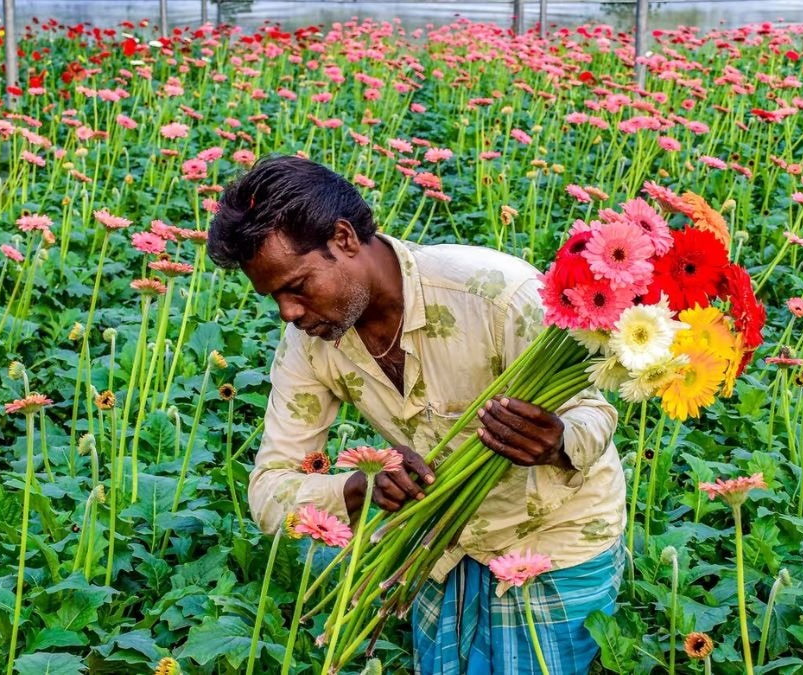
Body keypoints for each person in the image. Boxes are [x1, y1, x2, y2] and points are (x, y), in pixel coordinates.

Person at [206, 155, 627, 675]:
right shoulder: (309, 344)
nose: (288, 313)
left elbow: (595, 409)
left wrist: (557, 437)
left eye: (297, 286)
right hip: (437, 547)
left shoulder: (495, 293)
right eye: (274, 298)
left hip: (551, 540)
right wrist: (359, 490)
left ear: (343, 239)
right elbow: (269, 488)